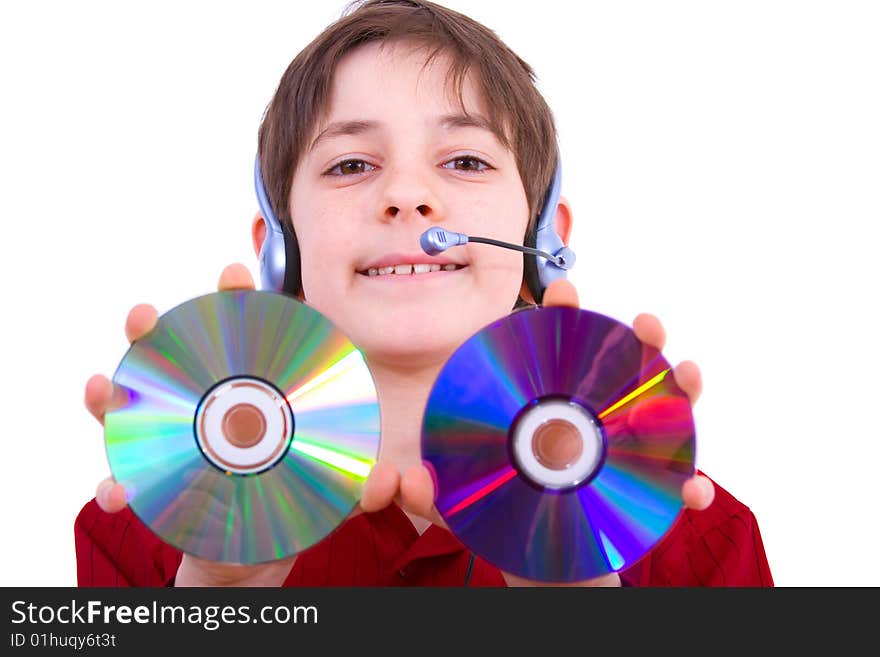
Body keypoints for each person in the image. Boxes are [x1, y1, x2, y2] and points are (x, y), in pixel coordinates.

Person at [76, 0, 773, 587]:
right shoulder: (150, 521)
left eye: (465, 160)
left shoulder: (696, 534)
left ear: (540, 235)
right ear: (279, 246)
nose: (407, 195)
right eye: (351, 164)